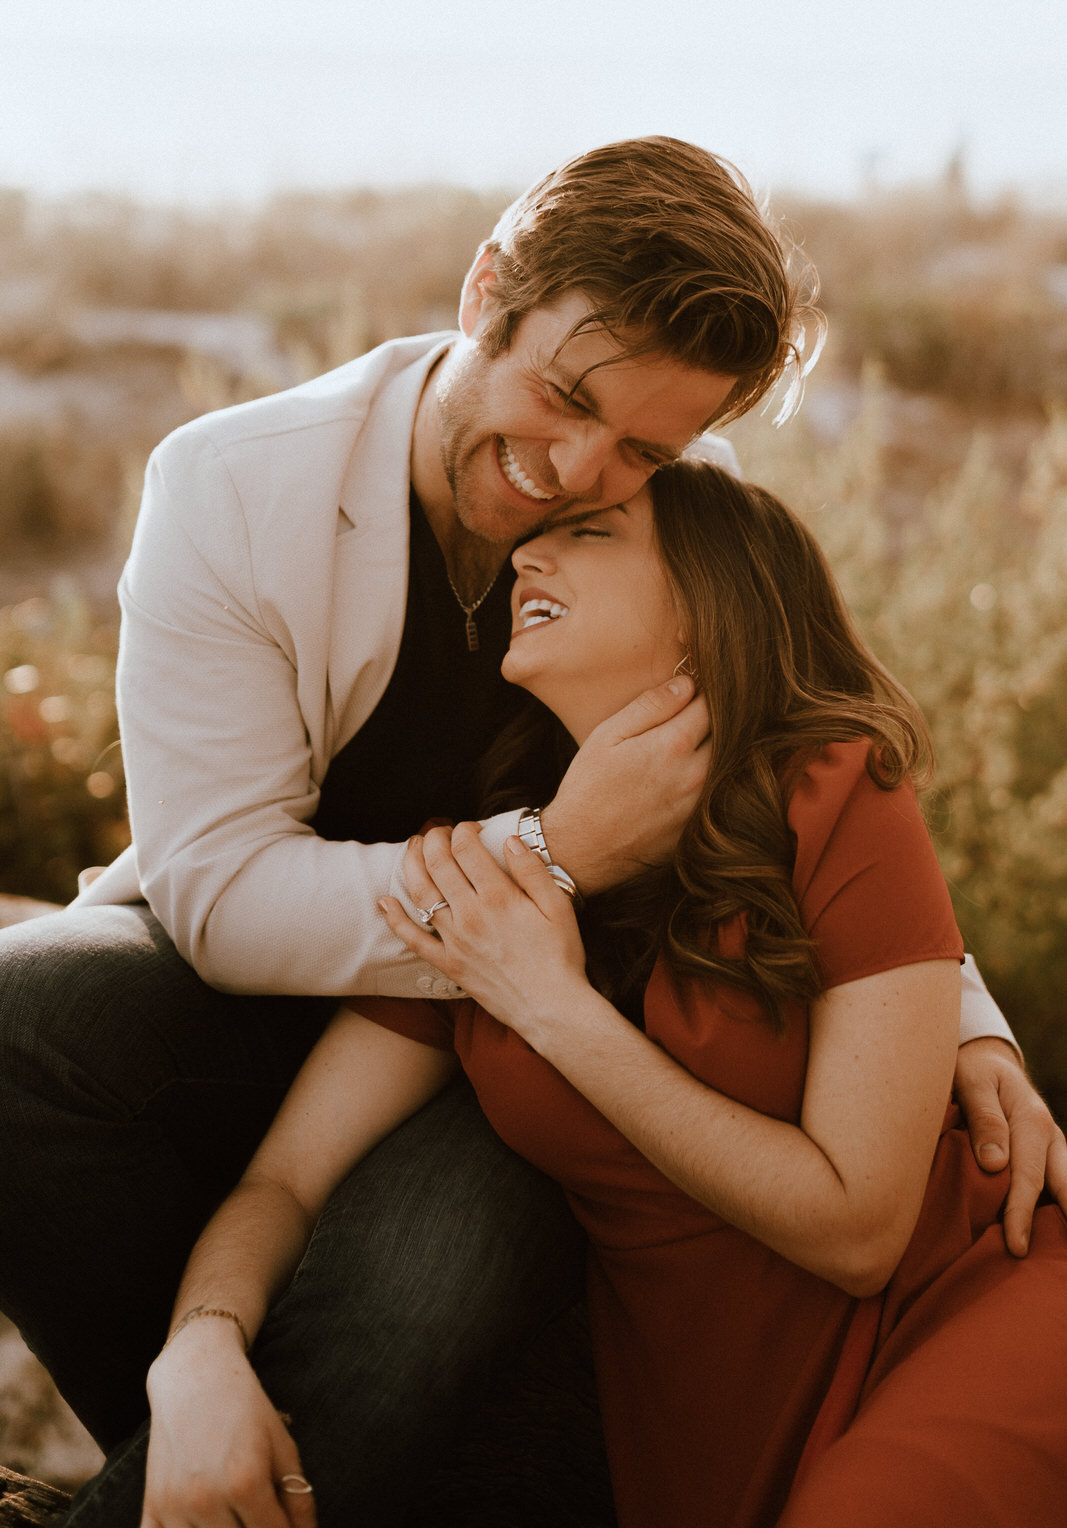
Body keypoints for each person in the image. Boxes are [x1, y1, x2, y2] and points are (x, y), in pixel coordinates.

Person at [0, 139, 1058, 1518]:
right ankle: (199, 1437)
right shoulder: (229, 484)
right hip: (305, 976)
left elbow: (784, 732)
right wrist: (550, 864)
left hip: (490, 1031)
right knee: (25, 1023)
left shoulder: (660, 503)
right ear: (483, 287)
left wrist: (960, 1023)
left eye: (638, 452)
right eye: (562, 398)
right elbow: (216, 897)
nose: (569, 475)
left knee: (438, 1256)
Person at [113, 462, 1067, 1527]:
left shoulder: (829, 787)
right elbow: (285, 1181)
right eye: (540, 537)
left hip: (960, 1310)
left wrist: (553, 1011)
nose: (528, 553)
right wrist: (196, 1350)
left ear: (707, 606)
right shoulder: (489, 876)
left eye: (594, 533)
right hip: (713, 1413)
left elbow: (858, 1230)